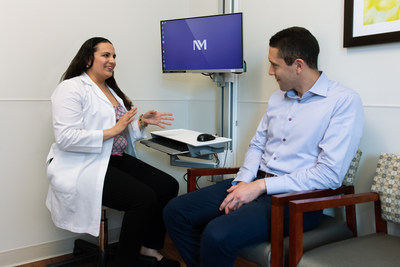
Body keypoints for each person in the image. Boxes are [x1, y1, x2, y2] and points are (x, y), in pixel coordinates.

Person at [163, 26, 364, 267]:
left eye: (275, 65)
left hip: (296, 201)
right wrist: (243, 182)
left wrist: (260, 186)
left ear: (298, 65)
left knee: (217, 234)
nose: (270, 72)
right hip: (256, 183)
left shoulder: (343, 101)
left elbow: (329, 175)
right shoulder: (277, 98)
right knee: (175, 211)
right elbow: (258, 144)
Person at [45, 37, 180, 267]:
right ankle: (126, 262)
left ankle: (148, 247)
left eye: (114, 56)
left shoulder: (110, 89)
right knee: (143, 198)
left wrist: (141, 123)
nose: (112, 61)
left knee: (168, 185)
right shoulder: (70, 88)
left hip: (112, 159)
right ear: (89, 58)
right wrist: (114, 129)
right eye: (106, 55)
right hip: (81, 164)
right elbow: (66, 138)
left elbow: (120, 133)